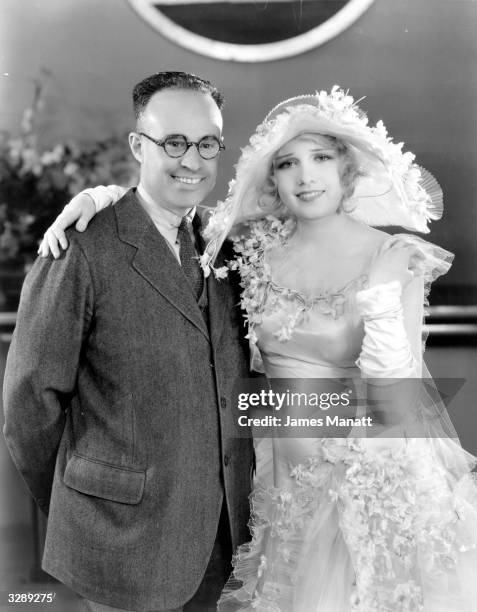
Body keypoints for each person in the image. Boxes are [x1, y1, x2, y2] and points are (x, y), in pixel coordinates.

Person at [38, 87, 477, 610]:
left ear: (349, 170)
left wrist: (381, 293)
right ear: (271, 177)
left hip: (361, 487)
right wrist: (100, 197)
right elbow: (166, 217)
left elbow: (395, 403)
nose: (305, 177)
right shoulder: (252, 246)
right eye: (288, 163)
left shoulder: (394, 257)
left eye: (320, 159)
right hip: (274, 487)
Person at [3, 71, 254, 612]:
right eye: (174, 142)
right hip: (122, 539)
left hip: (224, 534)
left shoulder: (227, 245)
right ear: (138, 145)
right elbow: (29, 404)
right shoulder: (81, 247)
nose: (192, 160)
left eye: (207, 143)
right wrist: (80, 502)